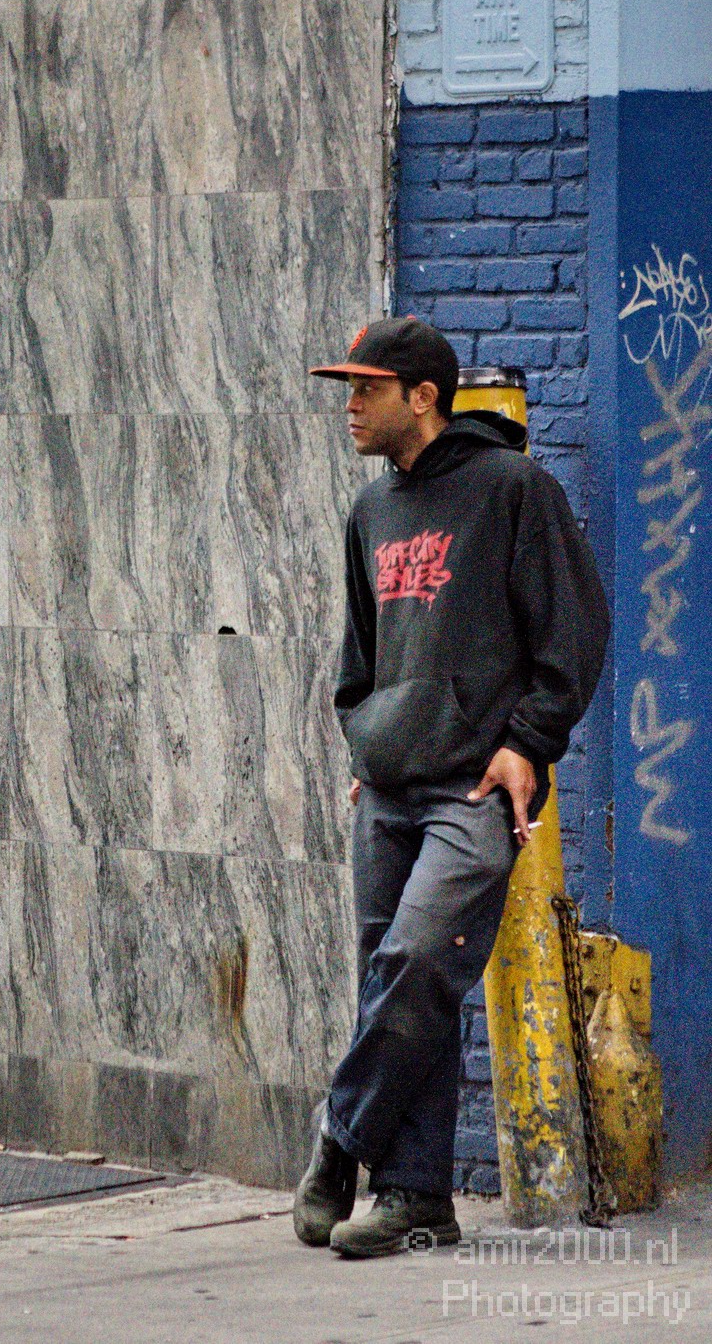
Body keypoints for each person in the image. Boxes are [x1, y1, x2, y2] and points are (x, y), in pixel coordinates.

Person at [294, 316, 609, 1259]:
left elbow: (575, 629)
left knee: (420, 961)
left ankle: (339, 1140)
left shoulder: (513, 489)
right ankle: (416, 1197)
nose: (351, 406)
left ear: (423, 396)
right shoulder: (370, 510)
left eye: (366, 389)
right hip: (388, 787)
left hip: (474, 788)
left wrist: (530, 743)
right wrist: (369, 742)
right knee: (394, 986)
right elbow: (358, 660)